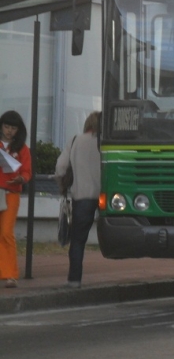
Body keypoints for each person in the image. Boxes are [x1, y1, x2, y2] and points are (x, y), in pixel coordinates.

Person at [55, 111, 101, 289]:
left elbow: (61, 167)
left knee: (78, 241)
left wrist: (62, 186)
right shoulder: (106, 143)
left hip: (82, 196)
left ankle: (74, 279)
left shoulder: (75, 140)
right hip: (109, 196)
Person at [0, 110, 32, 289]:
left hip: (11, 192)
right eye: (6, 126)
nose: (9, 131)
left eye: (13, 128)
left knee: (6, 232)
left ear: (18, 130)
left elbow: (27, 171)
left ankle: (11, 274)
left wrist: (22, 178)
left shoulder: (22, 149)